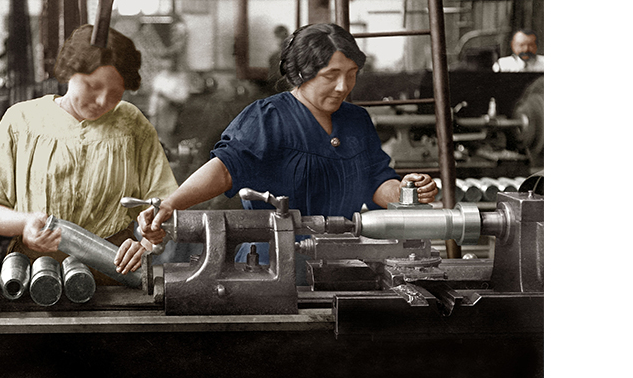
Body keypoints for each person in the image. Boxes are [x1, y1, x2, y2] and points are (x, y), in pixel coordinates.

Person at [115, 23, 438, 282]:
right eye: (331, 76)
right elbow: (225, 168)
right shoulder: (268, 117)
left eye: (351, 75)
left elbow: (377, 182)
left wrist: (407, 190)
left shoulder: (356, 121)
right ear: (301, 74)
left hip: (346, 265)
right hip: (270, 267)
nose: (344, 87)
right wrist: (172, 204)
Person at [0, 24, 179, 283]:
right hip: (33, 276)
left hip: (113, 273)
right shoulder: (21, 120)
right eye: (92, 86)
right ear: (69, 73)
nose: (102, 101)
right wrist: (24, 224)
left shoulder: (131, 123)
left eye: (115, 93)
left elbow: (165, 205)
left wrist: (146, 244)